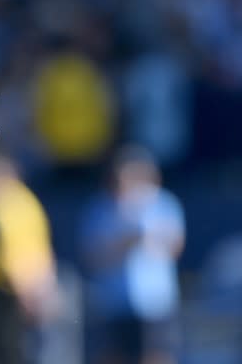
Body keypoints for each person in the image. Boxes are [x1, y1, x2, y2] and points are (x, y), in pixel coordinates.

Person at [77, 144, 185, 364]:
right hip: (113, 302)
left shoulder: (163, 203)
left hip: (155, 300)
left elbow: (175, 246)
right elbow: (91, 256)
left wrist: (151, 240)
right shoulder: (99, 208)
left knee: (157, 354)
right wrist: (121, 245)